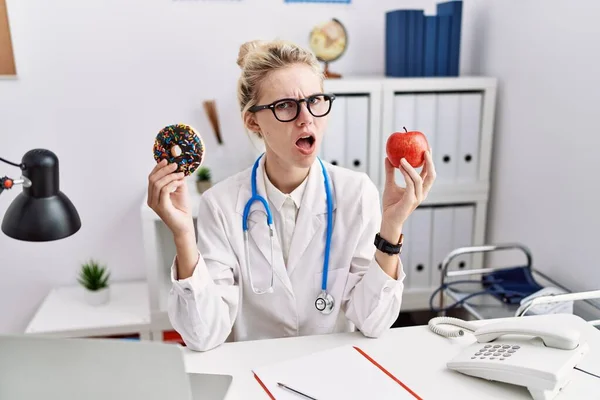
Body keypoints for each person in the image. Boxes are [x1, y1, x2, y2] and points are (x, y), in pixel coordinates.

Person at [147, 39, 436, 352]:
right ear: (252, 121)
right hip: (252, 375)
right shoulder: (222, 204)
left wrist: (391, 229)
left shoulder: (356, 193)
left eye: (316, 100)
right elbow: (203, 335)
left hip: (331, 372)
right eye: (285, 105)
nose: (306, 117)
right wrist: (183, 236)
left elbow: (374, 321)